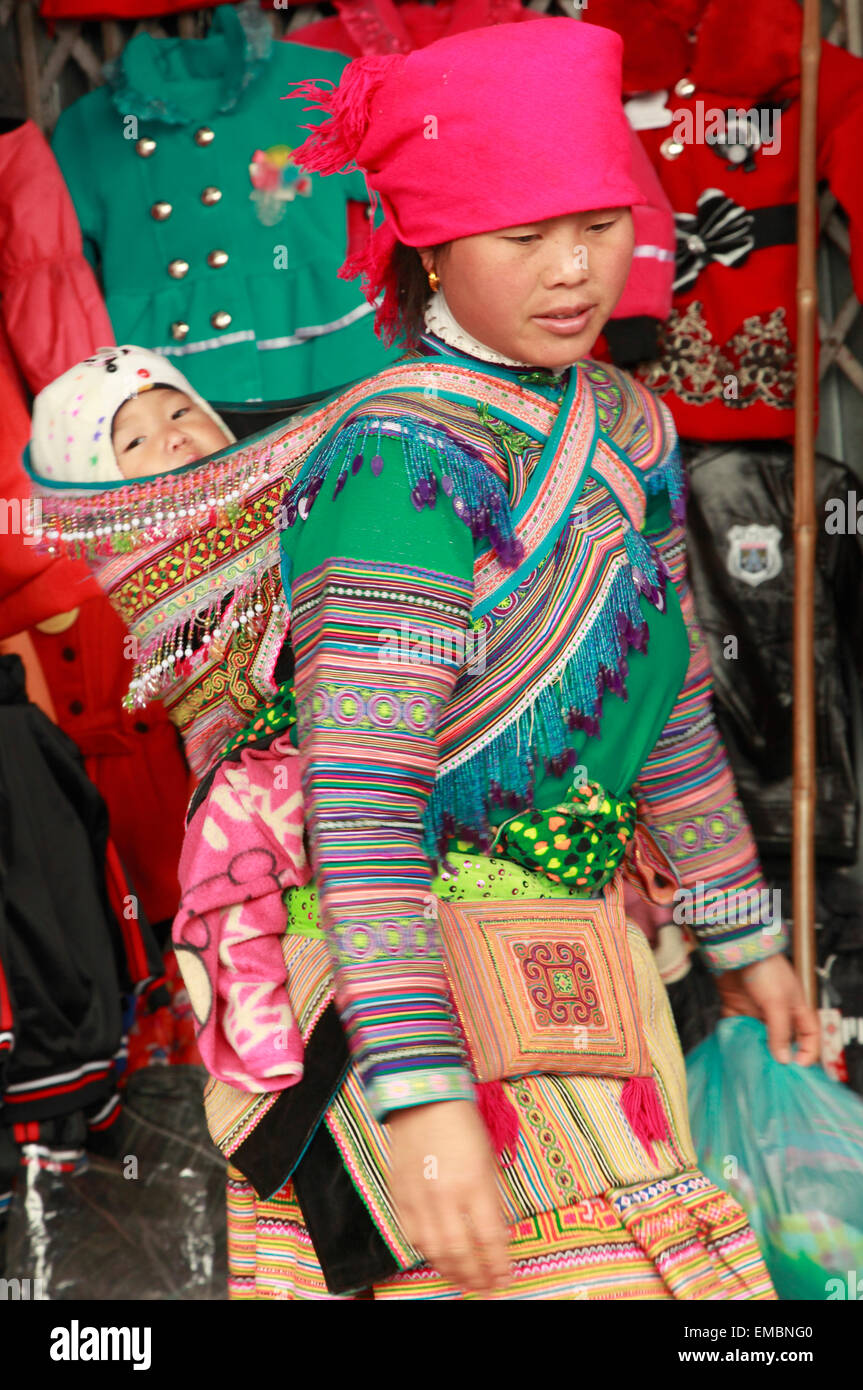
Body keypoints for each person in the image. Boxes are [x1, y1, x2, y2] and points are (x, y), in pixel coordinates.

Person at [212, 18, 819, 1301]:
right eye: (521, 235)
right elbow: (361, 800)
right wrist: (422, 1093)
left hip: (588, 968)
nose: (572, 270)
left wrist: (736, 925)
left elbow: (666, 702)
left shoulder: (629, 423)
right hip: (418, 993)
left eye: (597, 223)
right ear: (428, 250)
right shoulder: (394, 462)